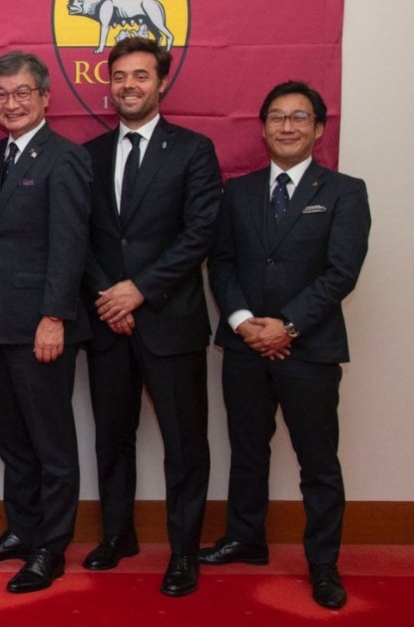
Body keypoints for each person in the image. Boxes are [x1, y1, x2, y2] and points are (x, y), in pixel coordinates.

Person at [201, 81, 369, 610]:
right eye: (277, 117)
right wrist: (246, 321)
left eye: (299, 118)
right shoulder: (239, 192)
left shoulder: (345, 192)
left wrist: (287, 326)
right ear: (264, 126)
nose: (287, 127)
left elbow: (341, 272)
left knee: (317, 462)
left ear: (319, 128)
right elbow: (222, 262)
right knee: (247, 451)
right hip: (244, 344)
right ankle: (245, 538)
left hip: (310, 352)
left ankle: (322, 563)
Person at [81, 36, 221, 597]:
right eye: (119, 77)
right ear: (107, 83)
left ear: (161, 82)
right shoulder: (87, 155)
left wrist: (138, 291)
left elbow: (200, 234)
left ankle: (184, 551)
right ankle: (118, 536)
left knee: (185, 444)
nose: (128, 86)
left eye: (140, 76)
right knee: (112, 438)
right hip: (105, 322)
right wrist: (107, 295)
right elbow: (79, 237)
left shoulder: (193, 149)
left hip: (170, 319)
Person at [0, 52, 91, 593]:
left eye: (21, 94)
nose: (10, 104)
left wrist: (54, 316)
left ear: (44, 98)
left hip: (41, 326)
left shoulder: (66, 158)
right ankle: (21, 530)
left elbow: (70, 245)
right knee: (13, 440)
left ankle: (50, 549)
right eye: (1, 95)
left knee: (51, 444)